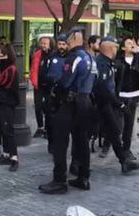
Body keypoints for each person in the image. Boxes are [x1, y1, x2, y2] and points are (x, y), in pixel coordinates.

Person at [39, 28, 96, 194]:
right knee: (82, 141)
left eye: (69, 39)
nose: (67, 42)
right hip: (85, 101)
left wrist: (54, 95)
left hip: (71, 103)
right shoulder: (90, 58)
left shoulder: (75, 57)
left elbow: (64, 81)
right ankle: (83, 177)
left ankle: (59, 180)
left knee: (60, 141)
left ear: (75, 39)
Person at [93, 37, 139, 174]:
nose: (116, 49)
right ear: (110, 49)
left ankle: (124, 161)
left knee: (114, 131)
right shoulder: (103, 64)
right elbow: (104, 88)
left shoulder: (108, 62)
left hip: (108, 102)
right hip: (101, 103)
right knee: (87, 134)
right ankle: (78, 165)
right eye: (114, 47)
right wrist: (119, 104)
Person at [99, 37, 139, 160]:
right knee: (116, 125)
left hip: (134, 96)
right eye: (128, 43)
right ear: (122, 48)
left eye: (132, 43)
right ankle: (107, 144)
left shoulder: (138, 59)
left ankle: (127, 151)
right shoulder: (118, 61)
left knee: (129, 126)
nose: (132, 44)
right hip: (120, 97)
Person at [0, 44, 20, 171]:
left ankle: (14, 158)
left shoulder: (10, 69)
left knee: (8, 131)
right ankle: (6, 154)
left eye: (0, 53)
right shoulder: (4, 68)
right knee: (3, 130)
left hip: (6, 104)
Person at [45, 34, 68, 154]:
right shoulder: (51, 57)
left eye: (64, 44)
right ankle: (51, 142)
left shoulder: (70, 58)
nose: (61, 46)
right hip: (52, 93)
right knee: (50, 120)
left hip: (65, 93)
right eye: (59, 44)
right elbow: (46, 73)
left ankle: (62, 143)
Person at [30, 36, 54, 138]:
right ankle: (40, 127)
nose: (43, 45)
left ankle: (48, 128)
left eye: (45, 43)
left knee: (48, 106)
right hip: (38, 84)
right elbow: (33, 67)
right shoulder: (37, 54)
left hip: (49, 86)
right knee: (38, 106)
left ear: (50, 44)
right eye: (42, 43)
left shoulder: (53, 55)